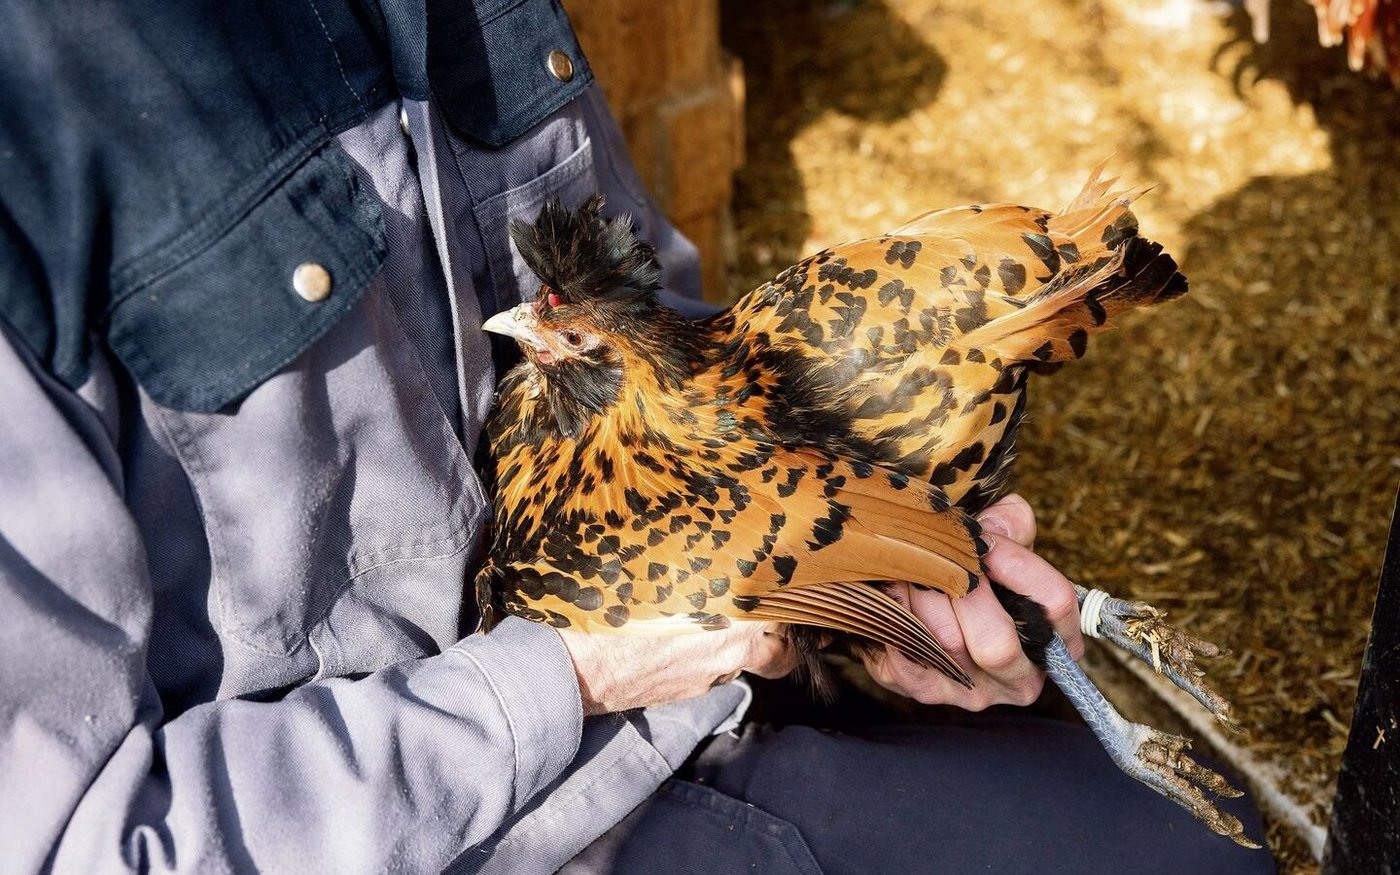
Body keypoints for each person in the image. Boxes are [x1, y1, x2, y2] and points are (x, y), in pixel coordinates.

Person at [0, 2, 1271, 872]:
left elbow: (651, 323)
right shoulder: (32, 136)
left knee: (1179, 832)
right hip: (471, 831)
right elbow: (76, 843)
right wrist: (578, 672)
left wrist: (863, 543)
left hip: (700, 702)